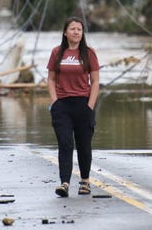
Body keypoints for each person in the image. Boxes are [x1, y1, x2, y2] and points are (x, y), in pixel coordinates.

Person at [46, 16, 100, 197]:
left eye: (79, 29)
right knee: (65, 144)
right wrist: (54, 102)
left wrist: (90, 105)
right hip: (62, 106)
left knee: (84, 145)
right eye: (72, 29)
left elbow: (96, 81)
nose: (76, 32)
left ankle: (85, 182)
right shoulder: (57, 52)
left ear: (82, 33)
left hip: (83, 105)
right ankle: (65, 183)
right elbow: (51, 79)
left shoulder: (89, 53)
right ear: (65, 32)